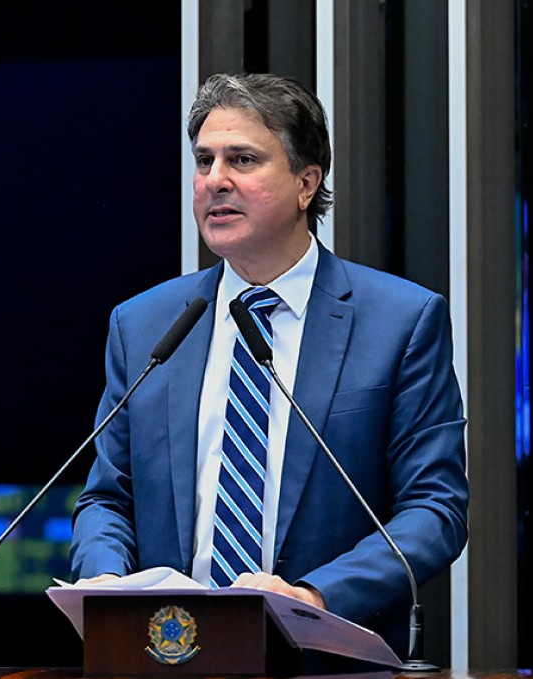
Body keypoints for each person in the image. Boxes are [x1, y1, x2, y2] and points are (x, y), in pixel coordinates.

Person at [69, 72, 468, 653]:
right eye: (204, 161)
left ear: (307, 184)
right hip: (167, 656)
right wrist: (106, 580)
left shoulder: (400, 321)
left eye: (243, 159)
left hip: (325, 658)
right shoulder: (144, 325)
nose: (215, 180)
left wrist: (313, 597)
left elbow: (434, 509)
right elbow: (107, 498)